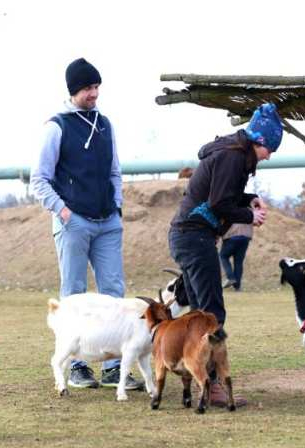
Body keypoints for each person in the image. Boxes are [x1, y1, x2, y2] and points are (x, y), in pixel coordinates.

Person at [30, 57, 142, 391]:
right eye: (88, 88)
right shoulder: (57, 126)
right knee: (74, 295)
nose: (94, 93)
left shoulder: (106, 123)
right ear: (74, 90)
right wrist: (63, 212)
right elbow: (39, 179)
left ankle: (113, 366)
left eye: (97, 87)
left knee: (114, 294)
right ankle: (76, 365)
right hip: (73, 221)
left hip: (108, 221)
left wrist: (117, 206)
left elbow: (114, 171)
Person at [168, 102, 282, 407]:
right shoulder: (233, 157)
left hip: (186, 236)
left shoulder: (231, 154)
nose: (269, 155)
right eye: (270, 148)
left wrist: (250, 198)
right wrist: (249, 215)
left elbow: (221, 194)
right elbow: (220, 204)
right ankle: (213, 386)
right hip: (195, 237)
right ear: (259, 141)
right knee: (211, 317)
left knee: (197, 316)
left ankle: (195, 377)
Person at [219, 223, 254, 291]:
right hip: (245, 236)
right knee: (238, 262)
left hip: (231, 235)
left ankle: (230, 277)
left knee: (223, 256)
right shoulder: (250, 211)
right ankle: (237, 287)